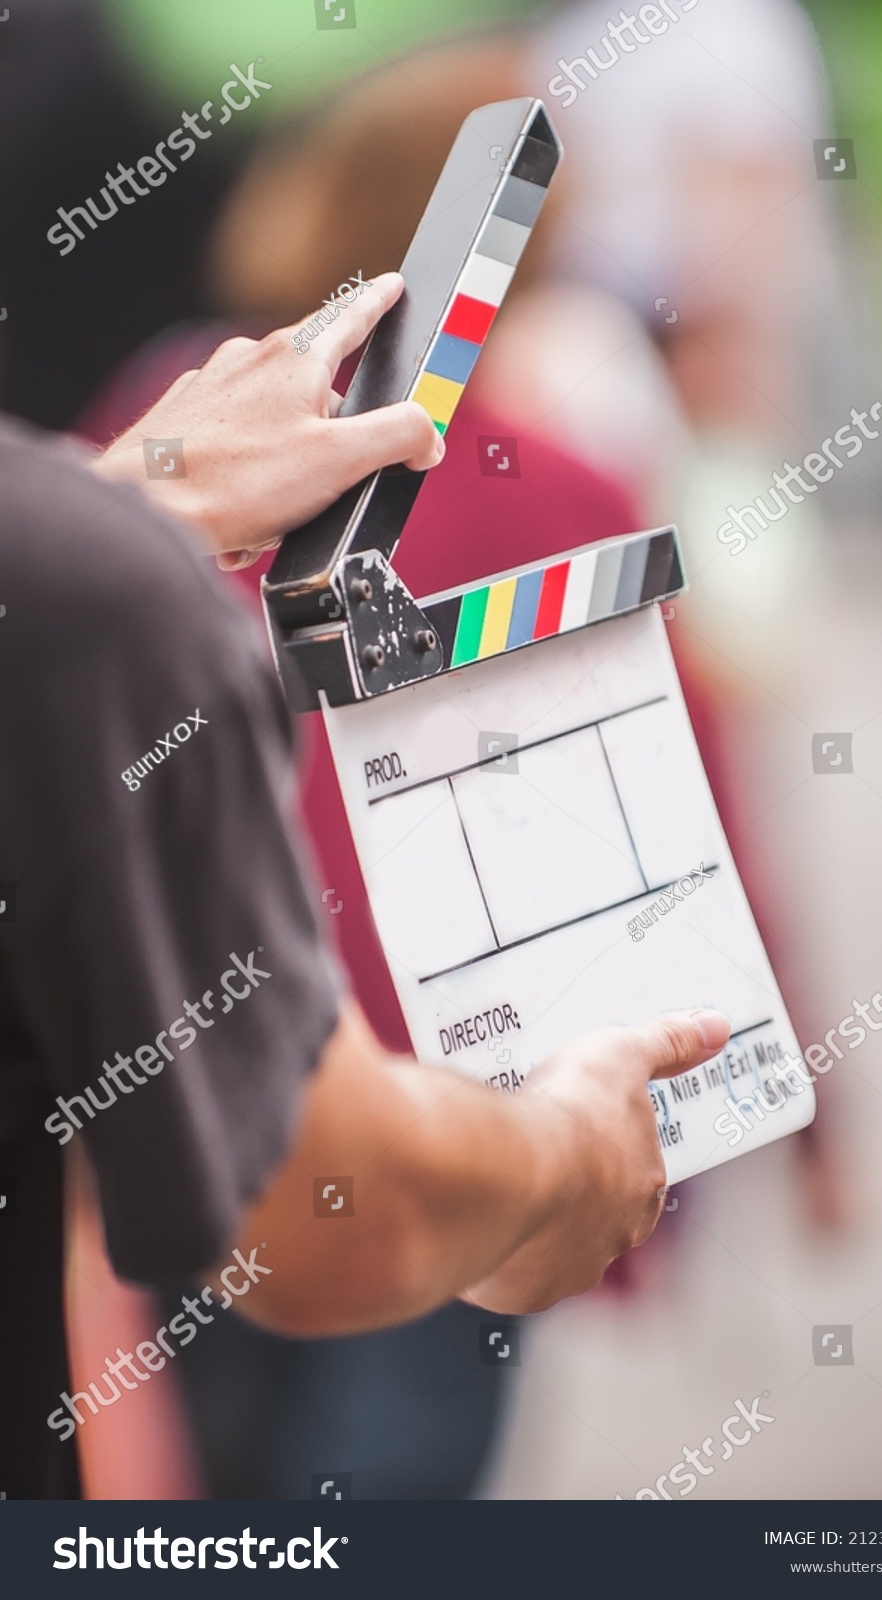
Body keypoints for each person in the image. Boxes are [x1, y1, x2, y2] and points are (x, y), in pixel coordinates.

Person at [0, 272, 730, 1499]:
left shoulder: (93, 541)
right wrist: (565, 1151)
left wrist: (118, 504)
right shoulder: (98, 591)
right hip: (408, 1131)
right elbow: (328, 1206)